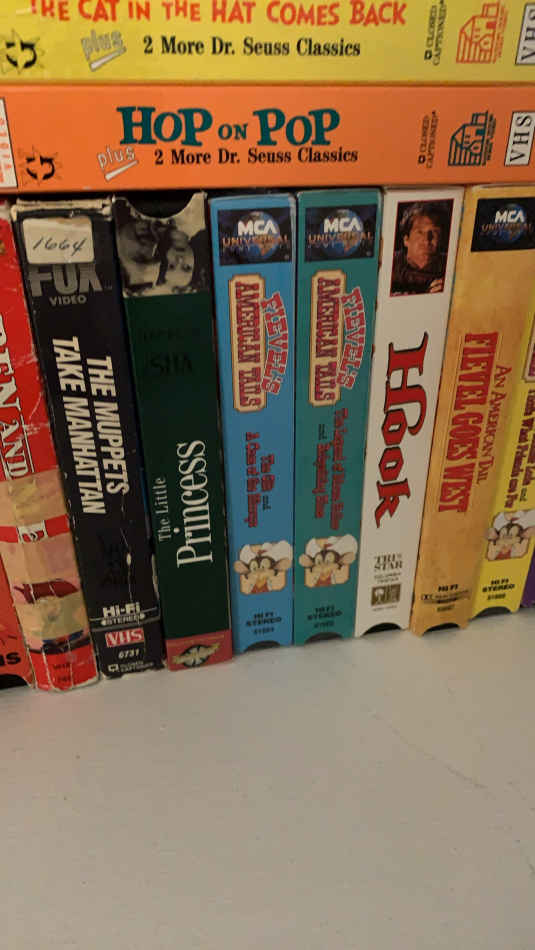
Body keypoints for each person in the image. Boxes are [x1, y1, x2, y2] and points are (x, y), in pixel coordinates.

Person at [391, 202, 448, 295]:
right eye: (420, 232)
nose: (427, 240)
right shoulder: (388, 263)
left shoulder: (451, 266)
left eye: (434, 232)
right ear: (406, 239)